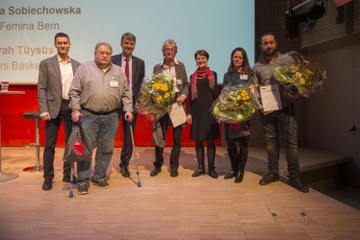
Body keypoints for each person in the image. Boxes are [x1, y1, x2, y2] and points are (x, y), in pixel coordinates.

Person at [69, 42, 133, 195]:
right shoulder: (84, 68)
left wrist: (128, 109)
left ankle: (98, 177)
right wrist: (75, 109)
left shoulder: (118, 71)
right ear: (95, 54)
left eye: (107, 53)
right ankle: (83, 181)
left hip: (111, 116)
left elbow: (126, 92)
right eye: (101, 53)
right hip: (88, 115)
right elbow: (74, 91)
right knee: (85, 150)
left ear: (111, 55)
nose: (104, 56)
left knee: (106, 149)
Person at [253, 32, 309, 193]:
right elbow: (254, 89)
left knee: (291, 143)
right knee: (270, 143)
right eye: (265, 43)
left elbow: (297, 80)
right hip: (267, 111)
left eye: (271, 42)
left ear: (276, 43)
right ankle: (273, 173)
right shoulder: (257, 67)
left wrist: (298, 91)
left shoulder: (287, 59)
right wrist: (259, 104)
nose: (268, 46)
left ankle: (294, 177)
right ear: (261, 46)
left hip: (286, 108)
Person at [37, 32, 81, 191]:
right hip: (53, 108)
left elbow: (80, 89)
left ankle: (67, 173)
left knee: (71, 144)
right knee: (50, 145)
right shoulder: (46, 63)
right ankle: (48, 178)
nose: (62, 45)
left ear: (69, 45)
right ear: (55, 45)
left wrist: (78, 108)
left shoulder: (77, 65)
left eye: (65, 43)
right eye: (59, 43)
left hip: (71, 107)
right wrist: (43, 109)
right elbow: (41, 88)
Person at [150, 39, 189, 177]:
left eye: (172, 49)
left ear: (175, 51)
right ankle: (158, 165)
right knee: (159, 137)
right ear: (163, 51)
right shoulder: (157, 67)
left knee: (177, 138)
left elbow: (186, 84)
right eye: (167, 49)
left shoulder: (180, 66)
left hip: (177, 105)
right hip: (161, 107)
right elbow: (153, 86)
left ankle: (173, 166)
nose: (169, 51)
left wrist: (183, 95)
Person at [111, 32, 145, 178]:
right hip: (113, 101)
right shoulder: (112, 60)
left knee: (128, 135)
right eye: (126, 43)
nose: (129, 46)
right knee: (109, 133)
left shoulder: (140, 62)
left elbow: (140, 84)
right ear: (121, 44)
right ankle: (103, 163)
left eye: (132, 44)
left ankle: (124, 164)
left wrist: (139, 101)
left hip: (131, 102)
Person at [223, 47, 255, 183]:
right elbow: (224, 93)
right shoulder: (227, 75)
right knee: (230, 143)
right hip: (229, 114)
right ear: (232, 58)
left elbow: (252, 93)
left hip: (243, 114)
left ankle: (241, 171)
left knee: (243, 143)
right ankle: (234, 169)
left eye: (240, 57)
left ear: (244, 59)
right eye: (235, 57)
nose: (237, 59)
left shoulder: (249, 75)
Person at [187, 50, 219, 179]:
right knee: (199, 140)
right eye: (198, 58)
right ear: (196, 60)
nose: (200, 60)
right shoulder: (192, 76)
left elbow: (216, 95)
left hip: (210, 111)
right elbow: (190, 97)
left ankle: (211, 168)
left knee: (210, 141)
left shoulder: (213, 75)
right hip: (197, 110)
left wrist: (218, 111)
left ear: (207, 59)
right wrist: (189, 113)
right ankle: (200, 168)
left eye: (203, 58)